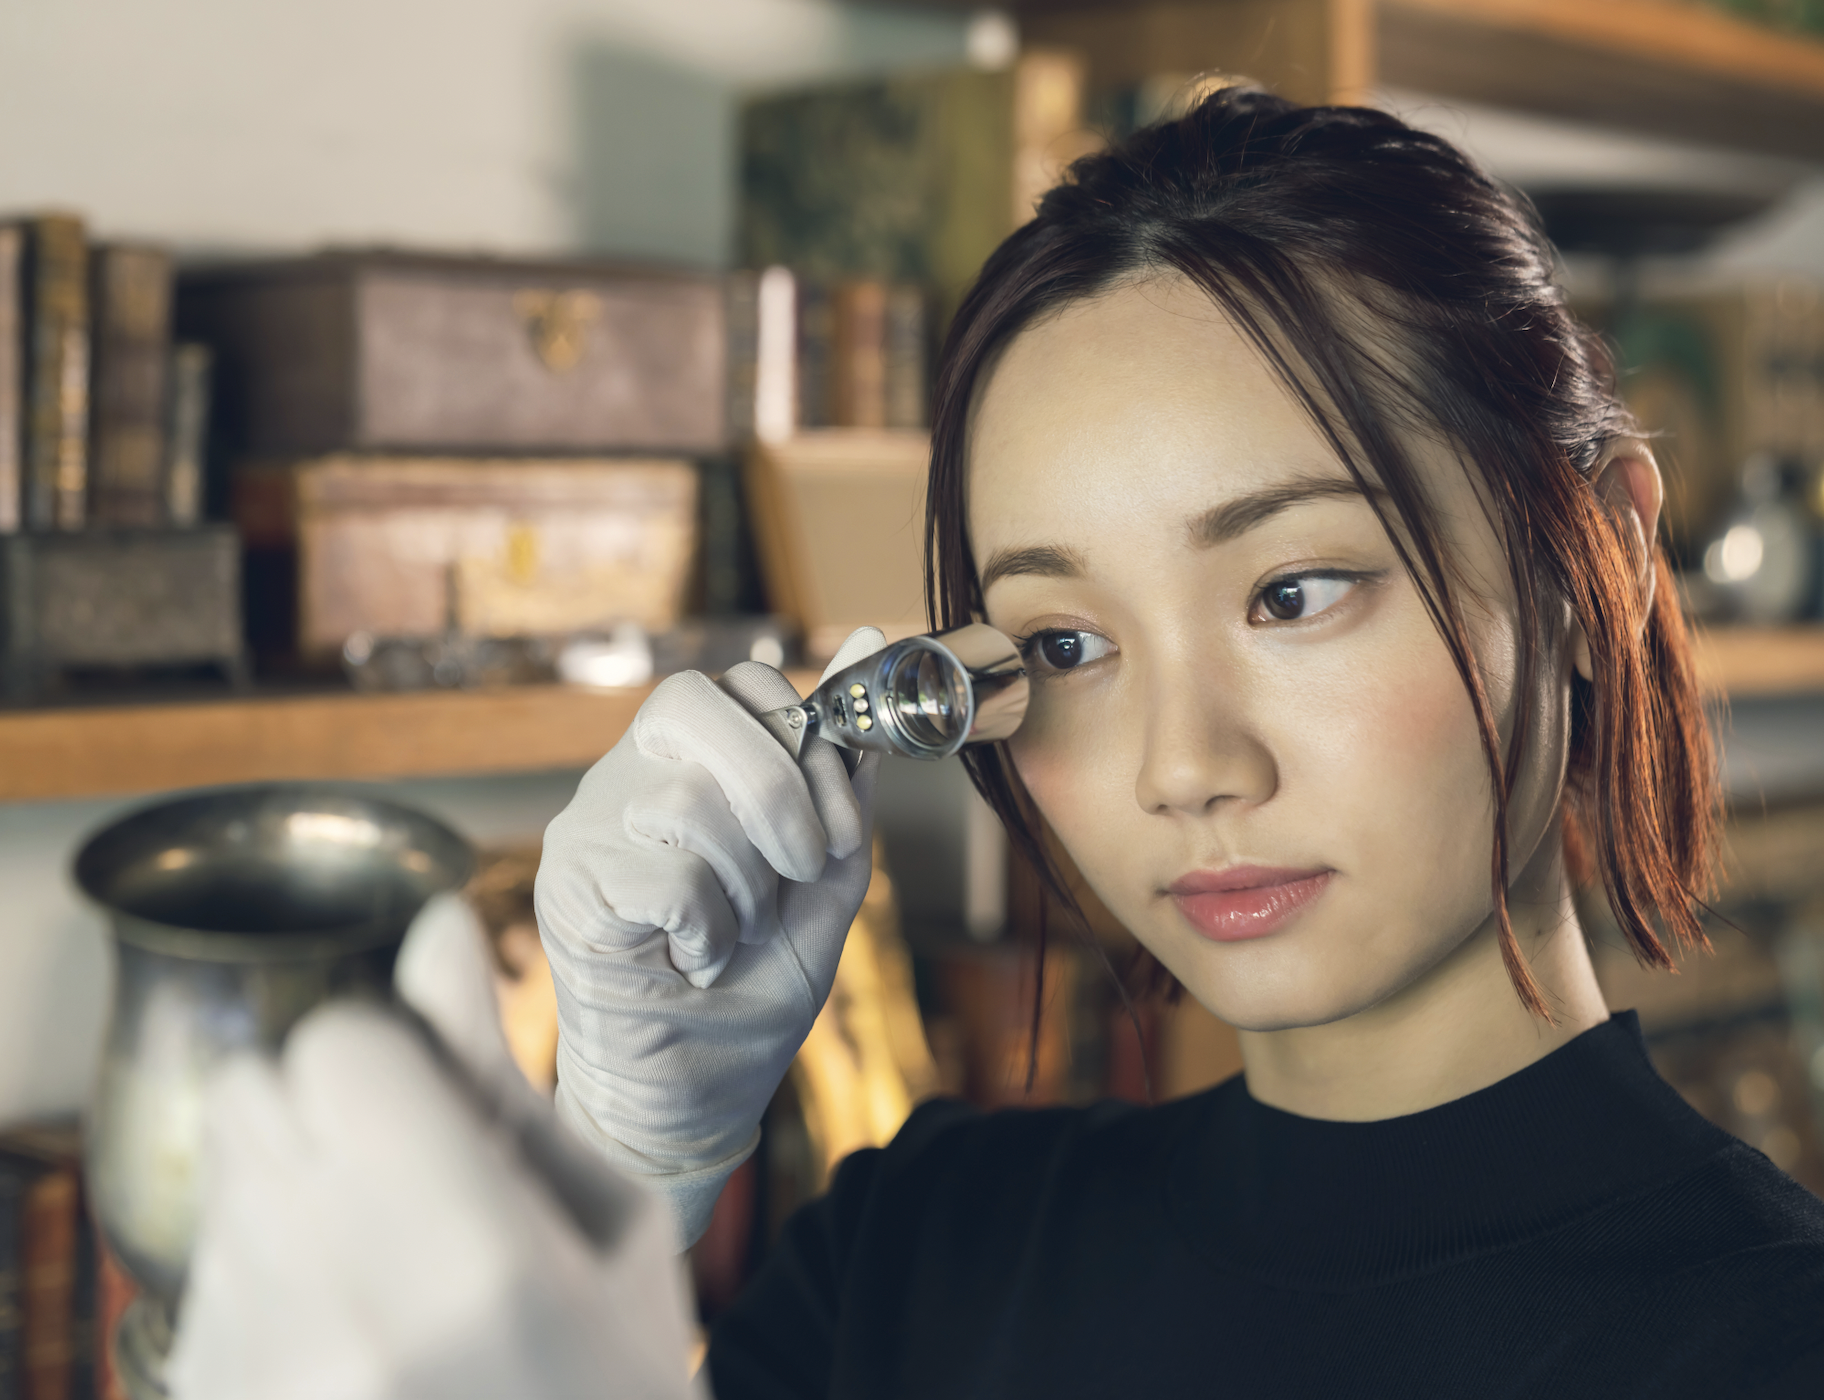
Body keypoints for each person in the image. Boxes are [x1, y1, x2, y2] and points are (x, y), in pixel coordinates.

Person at [173, 88, 1824, 1398]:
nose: (1187, 766)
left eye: (1297, 589)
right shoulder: (915, 1251)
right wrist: (620, 1183)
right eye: (1065, 646)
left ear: (1595, 552)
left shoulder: (1764, 1343)